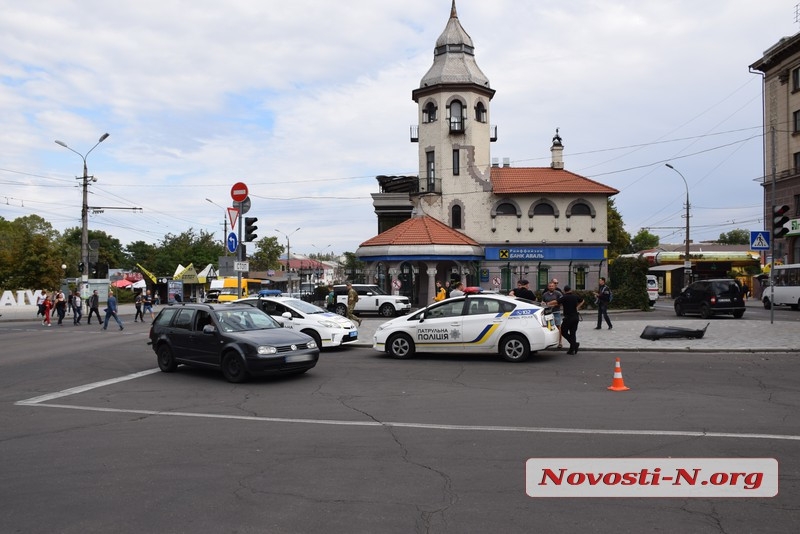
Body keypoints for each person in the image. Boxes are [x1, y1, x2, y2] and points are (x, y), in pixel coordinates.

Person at [549, 285, 584, 355]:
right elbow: (582, 300)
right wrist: (578, 307)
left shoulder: (564, 297)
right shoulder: (575, 296)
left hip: (568, 318)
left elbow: (556, 302)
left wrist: (548, 303)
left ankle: (574, 344)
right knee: (573, 333)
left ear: (564, 291)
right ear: (570, 290)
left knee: (563, 331)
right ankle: (572, 350)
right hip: (575, 317)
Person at [541, 281, 564, 348]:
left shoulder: (558, 293)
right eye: (550, 286)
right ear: (548, 287)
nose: (551, 287)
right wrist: (543, 303)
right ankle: (550, 342)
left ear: (555, 287)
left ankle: (560, 342)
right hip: (548, 313)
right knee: (549, 328)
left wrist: (550, 304)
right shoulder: (545, 294)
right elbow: (543, 302)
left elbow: (561, 302)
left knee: (558, 327)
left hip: (556, 312)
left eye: (552, 286)